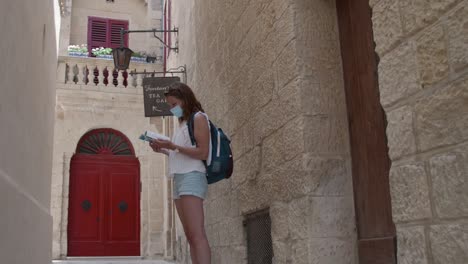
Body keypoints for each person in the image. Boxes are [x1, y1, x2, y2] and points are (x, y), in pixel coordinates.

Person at [149, 82, 211, 264]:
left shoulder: (199, 118)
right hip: (178, 178)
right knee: (190, 236)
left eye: (174, 104)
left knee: (197, 234)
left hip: (192, 176)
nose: (172, 109)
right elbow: (180, 153)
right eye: (170, 105)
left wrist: (173, 146)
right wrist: (163, 150)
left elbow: (203, 152)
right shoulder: (182, 124)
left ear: (185, 100)